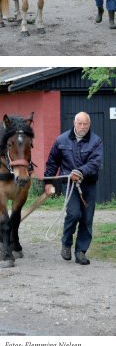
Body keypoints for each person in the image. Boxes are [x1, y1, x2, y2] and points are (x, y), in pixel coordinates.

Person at [44, 112, 103, 265]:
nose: (83, 127)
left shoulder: (96, 141)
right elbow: (52, 163)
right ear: (74, 123)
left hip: (88, 184)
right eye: (80, 123)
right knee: (74, 214)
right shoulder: (61, 140)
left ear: (89, 124)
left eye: (86, 124)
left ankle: (81, 251)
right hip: (69, 184)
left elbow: (95, 163)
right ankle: (66, 243)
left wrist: (80, 171)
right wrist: (48, 182)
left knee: (86, 218)